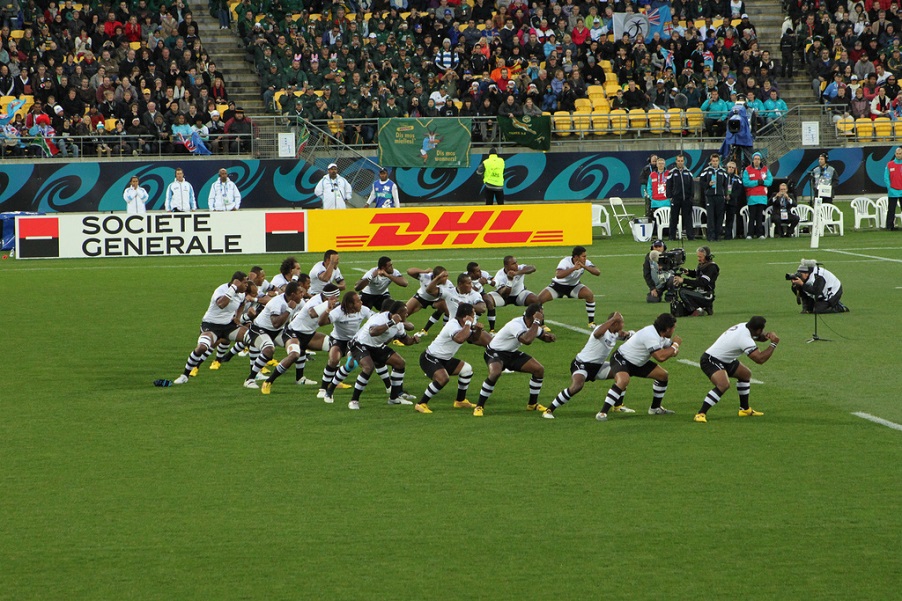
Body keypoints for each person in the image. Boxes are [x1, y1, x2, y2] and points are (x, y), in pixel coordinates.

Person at [543, 312, 634, 419]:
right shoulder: (601, 330)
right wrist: (613, 319)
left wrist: (629, 334)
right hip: (582, 364)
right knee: (577, 386)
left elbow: (624, 335)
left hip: (598, 367)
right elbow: (597, 334)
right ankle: (549, 410)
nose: (623, 324)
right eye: (621, 322)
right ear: (614, 323)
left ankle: (618, 406)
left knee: (623, 373)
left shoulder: (615, 333)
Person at [330, 300, 420, 409]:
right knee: (368, 367)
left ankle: (394, 398)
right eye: (404, 312)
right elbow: (373, 332)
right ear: (397, 313)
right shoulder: (380, 318)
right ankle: (354, 401)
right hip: (360, 343)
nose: (407, 314)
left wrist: (413, 340)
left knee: (400, 363)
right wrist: (391, 322)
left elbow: (406, 340)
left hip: (376, 346)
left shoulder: (399, 325)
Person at [473, 303, 556, 417]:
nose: (543, 316)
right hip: (495, 352)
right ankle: (479, 406)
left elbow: (542, 335)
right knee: (495, 373)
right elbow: (526, 340)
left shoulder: (533, 326)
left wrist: (549, 337)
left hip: (510, 353)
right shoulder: (516, 324)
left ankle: (532, 404)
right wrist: (537, 322)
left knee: (538, 370)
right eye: (540, 314)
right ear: (534, 316)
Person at [596, 313, 681, 421]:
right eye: (674, 328)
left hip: (638, 362)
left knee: (663, 375)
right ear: (668, 329)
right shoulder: (650, 335)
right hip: (622, 359)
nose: (674, 330)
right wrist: (675, 346)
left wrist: (672, 349)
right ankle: (602, 412)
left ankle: (655, 408)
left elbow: (671, 352)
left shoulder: (660, 334)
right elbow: (661, 357)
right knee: (623, 380)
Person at [694, 316, 779, 423]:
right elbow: (760, 359)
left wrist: (767, 336)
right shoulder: (744, 339)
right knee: (723, 385)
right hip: (710, 360)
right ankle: (701, 413)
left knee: (745, 374)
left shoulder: (744, 326)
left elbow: (757, 337)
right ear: (758, 329)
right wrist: (773, 343)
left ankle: (744, 409)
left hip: (725, 359)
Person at [260, 284, 340, 394]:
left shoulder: (328, 302)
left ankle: (334, 381)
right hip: (293, 333)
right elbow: (312, 313)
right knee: (294, 355)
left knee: (336, 348)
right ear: (329, 297)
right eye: (336, 297)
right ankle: (268, 381)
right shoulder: (316, 301)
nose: (337, 299)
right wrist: (327, 305)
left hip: (309, 334)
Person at [173, 271, 250, 385]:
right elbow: (221, 304)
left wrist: (237, 317)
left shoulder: (241, 294)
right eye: (244, 283)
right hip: (211, 325)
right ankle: (185, 375)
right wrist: (233, 287)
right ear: (236, 283)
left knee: (252, 338)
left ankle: (253, 376)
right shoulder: (221, 290)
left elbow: (242, 303)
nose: (246, 285)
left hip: (228, 325)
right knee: (202, 348)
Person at [414, 303, 481, 414]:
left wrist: (477, 330)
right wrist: (469, 323)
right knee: (443, 379)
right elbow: (459, 339)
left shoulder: (465, 325)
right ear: (466, 316)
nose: (474, 316)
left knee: (467, 370)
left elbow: (473, 339)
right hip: (430, 358)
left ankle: (460, 401)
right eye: (473, 314)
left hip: (445, 359)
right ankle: (421, 403)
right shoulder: (453, 325)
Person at [241, 281, 304, 389]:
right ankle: (250, 379)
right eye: (300, 292)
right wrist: (289, 309)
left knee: (298, 347)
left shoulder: (299, 302)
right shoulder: (277, 302)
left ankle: (300, 379)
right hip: (260, 329)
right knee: (269, 349)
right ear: (293, 294)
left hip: (279, 331)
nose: (302, 294)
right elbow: (276, 323)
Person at [316, 291, 370, 401]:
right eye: (358, 301)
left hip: (354, 341)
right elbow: (321, 323)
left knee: (353, 364)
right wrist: (327, 311)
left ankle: (333, 384)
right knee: (334, 359)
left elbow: (374, 319)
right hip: (338, 340)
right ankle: (323, 389)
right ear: (350, 304)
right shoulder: (338, 312)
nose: (361, 302)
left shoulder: (363, 310)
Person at [537, 246, 601, 326]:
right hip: (558, 286)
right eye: (583, 256)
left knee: (589, 295)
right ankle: (542, 325)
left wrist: (584, 267)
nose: (585, 258)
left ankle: (591, 322)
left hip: (573, 286)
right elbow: (558, 275)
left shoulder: (586, 263)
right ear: (576, 257)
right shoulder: (565, 261)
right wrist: (574, 268)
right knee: (539, 300)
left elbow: (597, 272)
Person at [672, 246, 719, 317]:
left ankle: (696, 310)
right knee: (684, 289)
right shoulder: (703, 264)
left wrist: (683, 280)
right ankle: (704, 308)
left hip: (706, 295)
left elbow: (702, 282)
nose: (698, 259)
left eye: (700, 257)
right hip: (700, 292)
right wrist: (688, 272)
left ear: (707, 257)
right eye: (698, 257)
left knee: (682, 292)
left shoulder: (712, 267)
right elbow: (697, 274)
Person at [742, 152, 773, 239]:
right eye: (755, 159)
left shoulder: (765, 169)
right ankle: (749, 234)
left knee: (759, 217)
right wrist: (757, 182)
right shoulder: (747, 170)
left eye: (758, 159)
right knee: (752, 217)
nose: (757, 161)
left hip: (762, 197)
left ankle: (760, 234)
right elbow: (746, 182)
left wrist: (762, 182)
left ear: (760, 160)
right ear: (753, 160)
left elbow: (770, 181)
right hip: (752, 197)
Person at [666, 154, 695, 241]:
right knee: (674, 218)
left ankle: (690, 236)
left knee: (688, 218)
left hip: (686, 199)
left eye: (681, 161)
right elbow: (668, 185)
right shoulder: (672, 172)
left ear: (684, 161)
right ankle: (672, 236)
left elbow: (692, 186)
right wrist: (670, 196)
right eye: (678, 161)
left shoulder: (688, 172)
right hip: (676, 199)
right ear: (676, 161)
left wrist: (691, 197)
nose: (680, 162)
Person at [699, 154, 728, 241]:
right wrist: (708, 184)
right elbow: (701, 183)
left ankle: (718, 236)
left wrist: (727, 194)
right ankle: (711, 236)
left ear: (719, 161)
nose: (715, 163)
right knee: (710, 217)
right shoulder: (706, 171)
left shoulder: (723, 171)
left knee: (720, 217)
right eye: (713, 161)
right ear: (711, 161)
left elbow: (727, 185)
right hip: (710, 197)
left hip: (720, 197)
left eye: (716, 161)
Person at [647, 157, 670, 233]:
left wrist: (671, 197)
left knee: (666, 219)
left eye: (662, 163)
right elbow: (649, 187)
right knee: (656, 219)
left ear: (664, 164)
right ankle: (656, 233)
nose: (660, 165)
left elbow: (673, 185)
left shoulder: (669, 174)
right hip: (655, 201)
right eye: (659, 163)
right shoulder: (652, 175)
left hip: (666, 201)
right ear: (656, 164)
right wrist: (651, 196)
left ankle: (666, 233)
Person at [723, 161, 745, 240]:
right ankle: (718, 235)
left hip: (732, 201)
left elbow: (739, 190)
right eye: (730, 167)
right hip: (722, 201)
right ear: (727, 168)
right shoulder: (723, 176)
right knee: (720, 218)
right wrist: (724, 195)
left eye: (733, 168)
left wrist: (731, 196)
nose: (731, 169)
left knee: (730, 219)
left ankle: (728, 236)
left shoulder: (737, 178)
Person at [884, 146, 902, 231]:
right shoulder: (889, 164)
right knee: (891, 210)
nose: (898, 155)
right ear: (895, 154)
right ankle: (889, 226)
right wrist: (889, 188)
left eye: (900, 154)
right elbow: (886, 177)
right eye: (897, 154)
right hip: (893, 191)